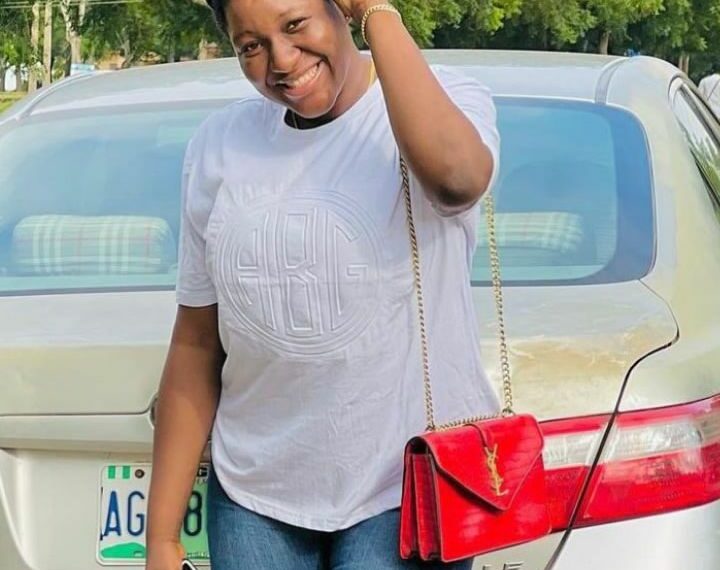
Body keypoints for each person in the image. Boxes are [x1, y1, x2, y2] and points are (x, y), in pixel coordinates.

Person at [145, 0, 501, 569]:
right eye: (251, 46)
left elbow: (456, 180)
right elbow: (197, 342)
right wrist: (162, 538)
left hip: (408, 487)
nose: (282, 61)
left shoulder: (439, 98)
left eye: (295, 25)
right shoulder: (221, 143)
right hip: (255, 498)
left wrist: (376, 11)